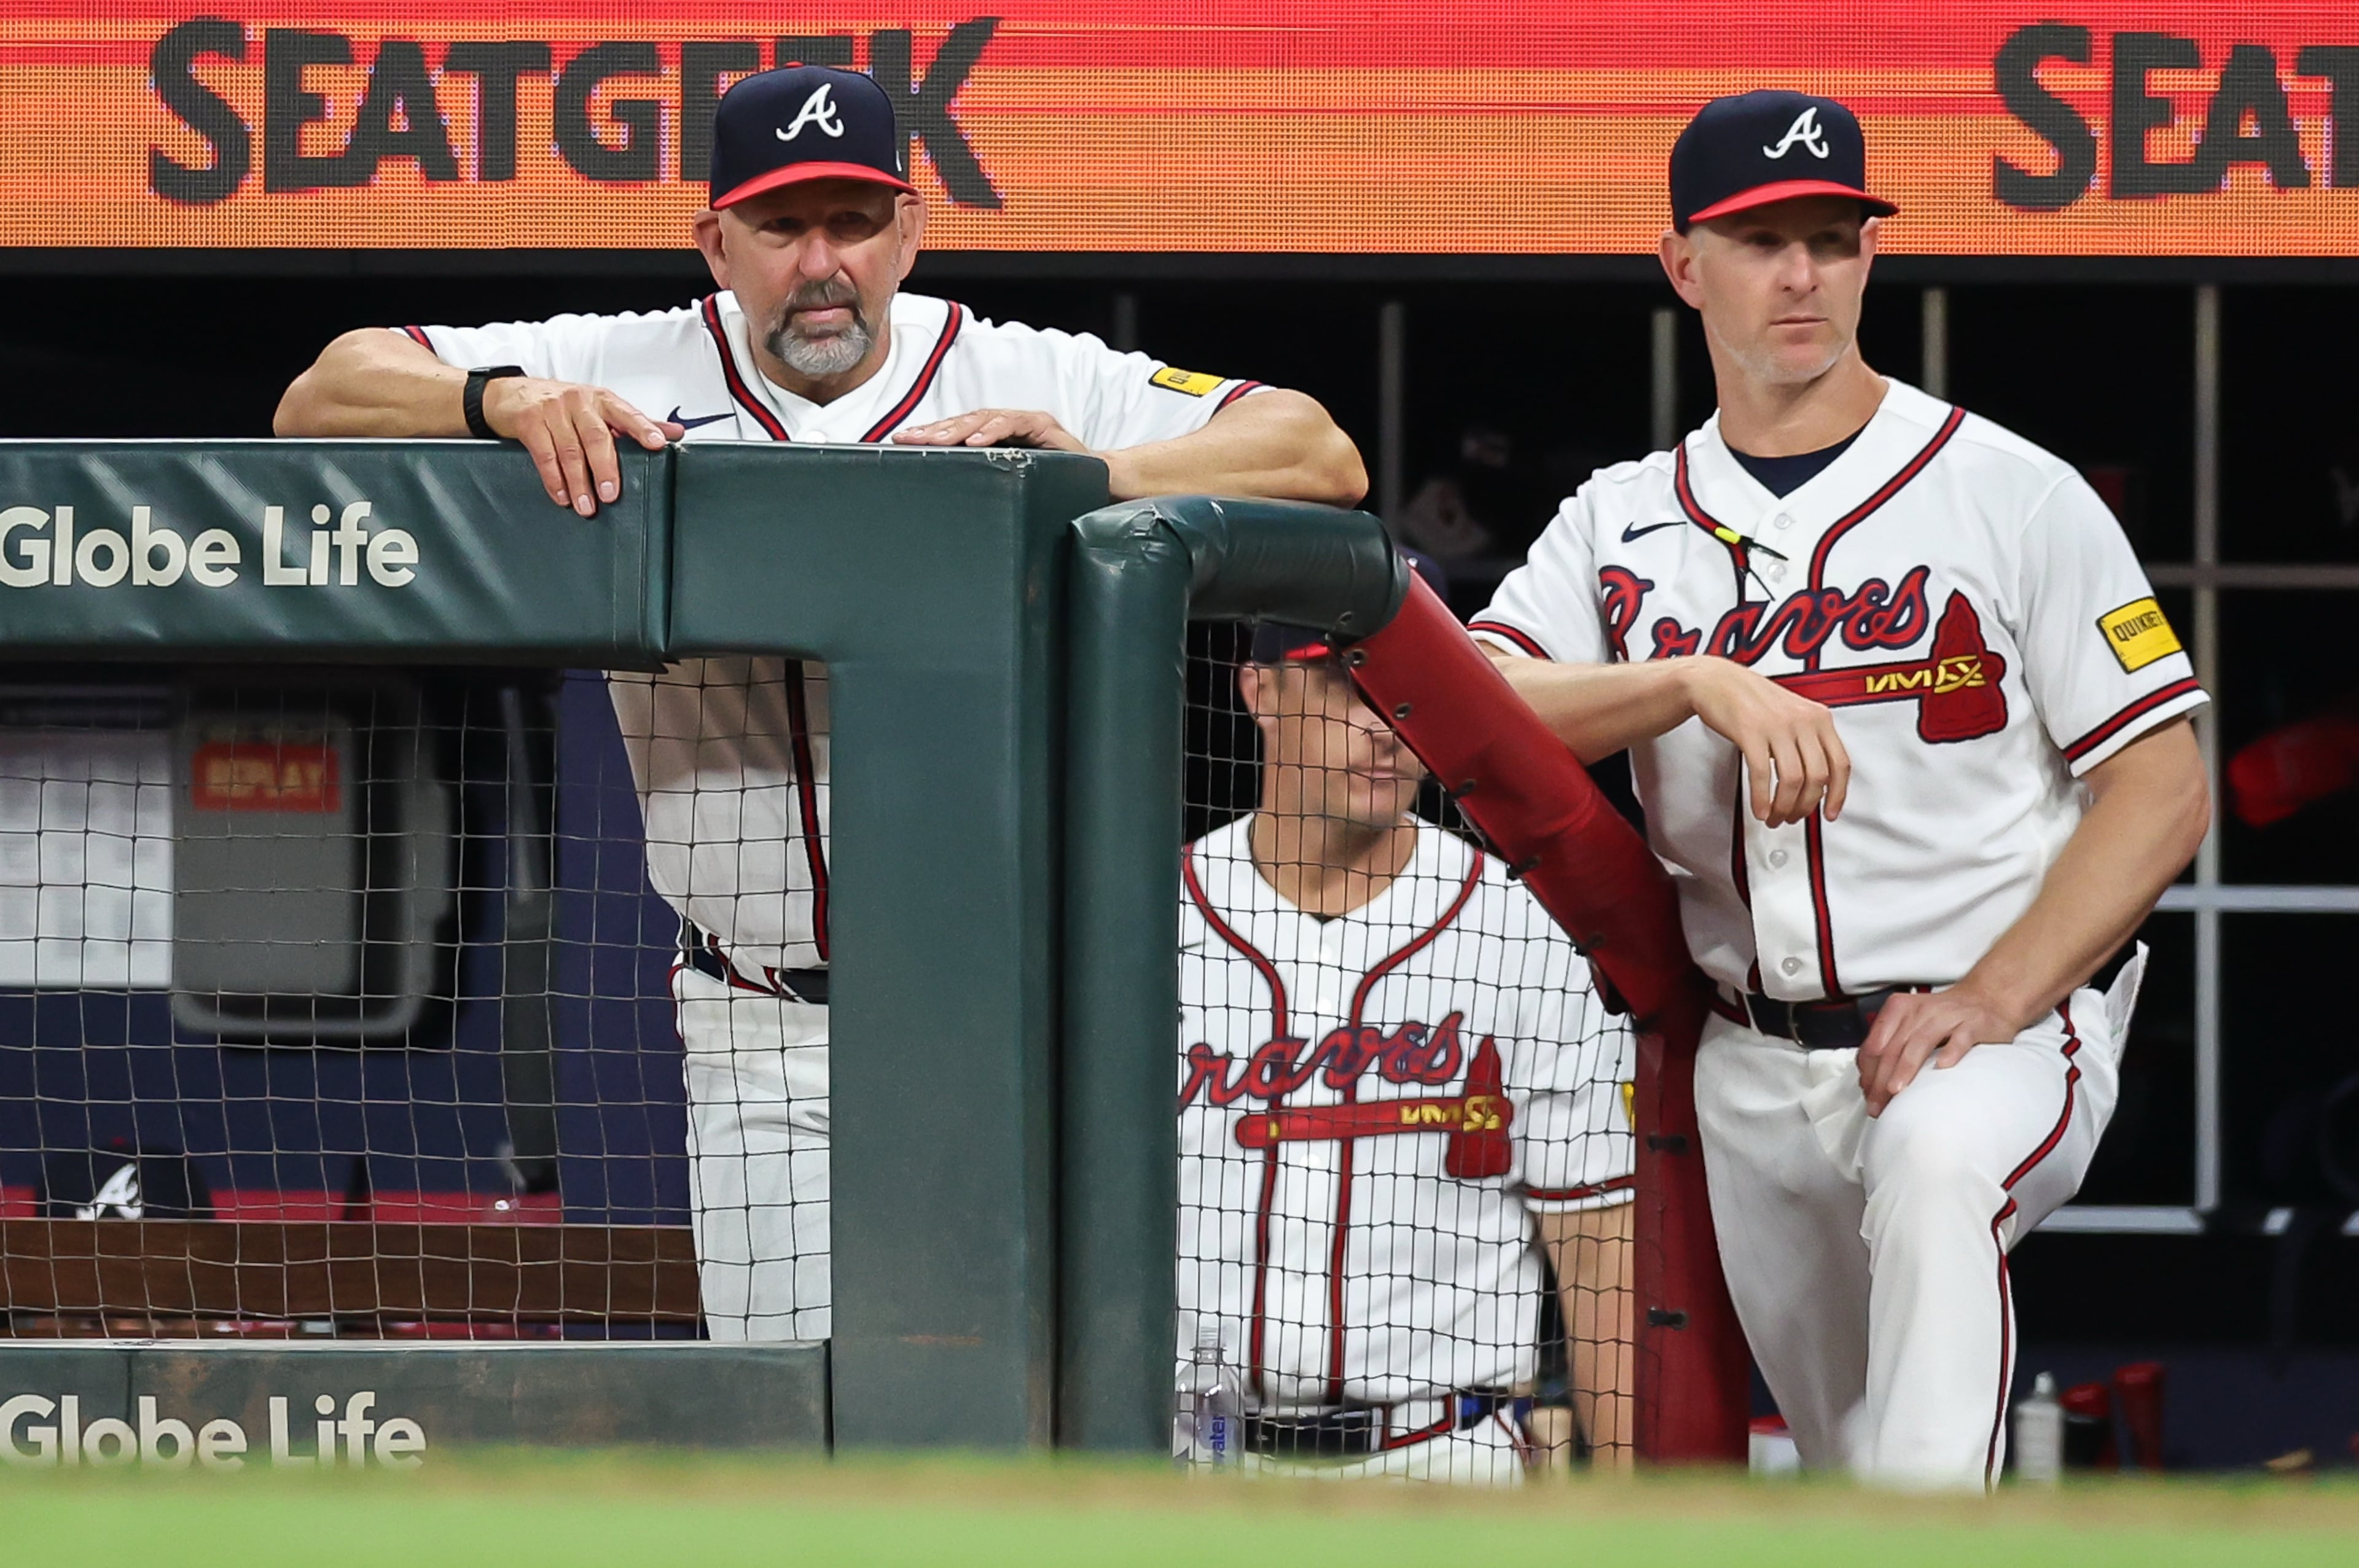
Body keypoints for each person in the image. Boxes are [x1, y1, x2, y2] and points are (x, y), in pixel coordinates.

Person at [275, 64, 1364, 1341]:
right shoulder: (623, 359)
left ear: (908, 232)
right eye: (782, 226)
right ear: (716, 243)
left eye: (852, 223)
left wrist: (1100, 471)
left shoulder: (1020, 369)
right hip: (761, 1019)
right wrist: (501, 397)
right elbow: (320, 395)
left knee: (1037, 1409)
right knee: (799, 1417)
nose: (820, 263)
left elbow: (1319, 452)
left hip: (1018, 1008)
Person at [1465, 91, 2210, 1488]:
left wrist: (1998, 995)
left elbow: (2162, 785)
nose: (1802, 274)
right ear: (1685, 266)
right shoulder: (1622, 515)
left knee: (1937, 1168)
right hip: (1752, 1055)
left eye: (1832, 238)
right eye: (1762, 243)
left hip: (1986, 1027)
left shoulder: (2011, 490)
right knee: (1849, 1460)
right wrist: (1690, 680)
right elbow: (1476, 701)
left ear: (1872, 256)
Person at [1178, 570, 1637, 1482]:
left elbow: (1599, 1251)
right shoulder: (1149, 915)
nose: (1387, 722)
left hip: (1446, 1459)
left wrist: (1627, 1510)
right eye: (1346, 681)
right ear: (1258, 688)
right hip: (1195, 1458)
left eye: (1414, 686)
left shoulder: (1526, 928)